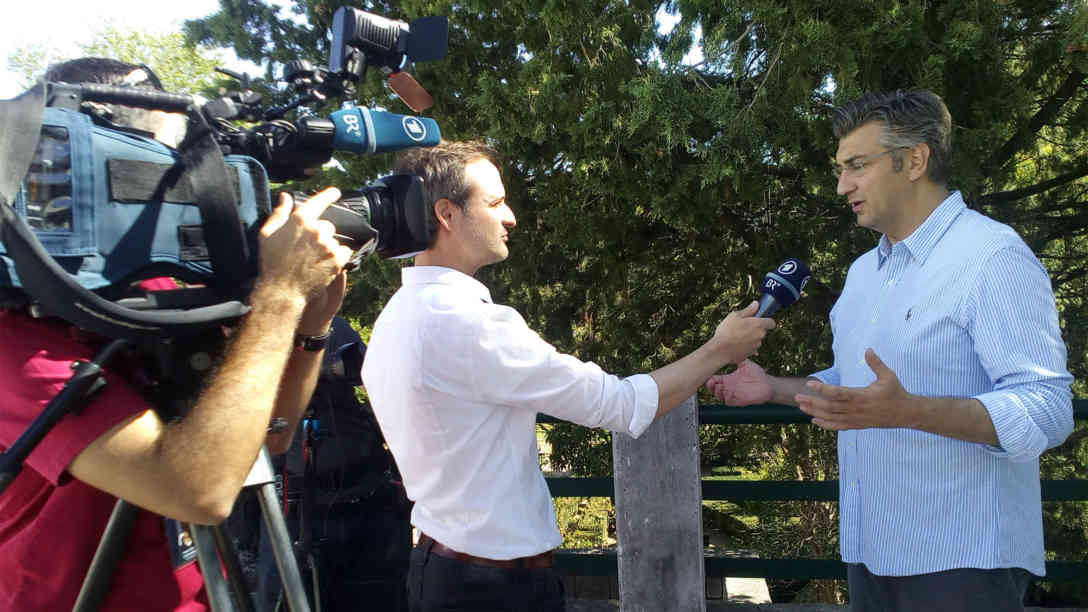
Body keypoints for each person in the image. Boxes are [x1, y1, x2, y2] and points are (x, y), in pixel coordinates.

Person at [360, 140, 776, 612]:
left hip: (441, 569)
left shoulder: (397, 314)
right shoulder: (468, 324)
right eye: (494, 203)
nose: (510, 216)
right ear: (446, 214)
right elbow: (622, 404)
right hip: (492, 589)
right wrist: (721, 349)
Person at [0, 57, 353, 611]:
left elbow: (267, 438)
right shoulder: (15, 339)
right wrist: (278, 296)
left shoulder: (161, 291)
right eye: (164, 165)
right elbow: (200, 490)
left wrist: (309, 326)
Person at [706, 89, 1074, 611]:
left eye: (857, 165)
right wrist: (775, 388)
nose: (842, 185)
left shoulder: (992, 256)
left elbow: (1048, 408)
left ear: (916, 160)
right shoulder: (862, 275)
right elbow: (858, 389)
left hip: (964, 561)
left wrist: (910, 412)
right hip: (870, 553)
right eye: (839, 168)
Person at [255, 315, 411, 612]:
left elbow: (366, 375)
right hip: (298, 507)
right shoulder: (261, 333)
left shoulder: (331, 326)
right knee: (285, 594)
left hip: (364, 501)